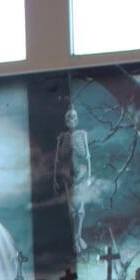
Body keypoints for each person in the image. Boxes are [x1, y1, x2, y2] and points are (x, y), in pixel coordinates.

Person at [53, 105, 92, 253]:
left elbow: (88, 157)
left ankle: (78, 237)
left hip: (81, 174)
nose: (72, 119)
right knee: (72, 210)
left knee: (80, 208)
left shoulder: (83, 134)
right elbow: (57, 160)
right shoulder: (62, 137)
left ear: (77, 119)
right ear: (65, 120)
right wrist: (55, 180)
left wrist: (89, 177)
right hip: (66, 175)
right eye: (69, 117)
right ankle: (75, 240)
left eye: (74, 117)